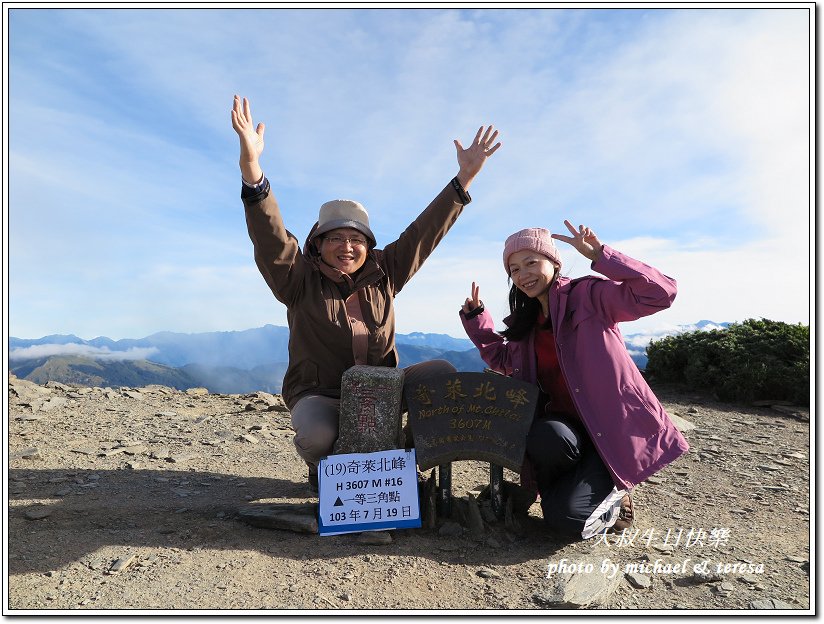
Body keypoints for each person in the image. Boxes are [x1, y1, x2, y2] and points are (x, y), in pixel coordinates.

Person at [231, 95, 502, 491]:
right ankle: (328, 468)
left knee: (442, 376)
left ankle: (395, 459)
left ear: (368, 245)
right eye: (335, 238)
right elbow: (270, 238)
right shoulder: (297, 278)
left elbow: (423, 234)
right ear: (317, 244)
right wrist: (252, 171)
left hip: (382, 391)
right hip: (322, 395)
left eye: (355, 239)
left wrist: (464, 181)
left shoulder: (386, 271)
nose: (346, 246)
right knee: (317, 438)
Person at [459, 220, 689, 540]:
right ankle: (569, 494)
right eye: (513, 269)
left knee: (567, 523)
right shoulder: (528, 323)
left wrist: (601, 255)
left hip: (607, 431)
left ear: (553, 262)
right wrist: (477, 321)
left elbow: (660, 293)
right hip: (566, 432)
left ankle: (613, 492)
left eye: (530, 263)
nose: (523, 274)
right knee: (544, 435)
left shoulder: (588, 295)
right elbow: (503, 361)